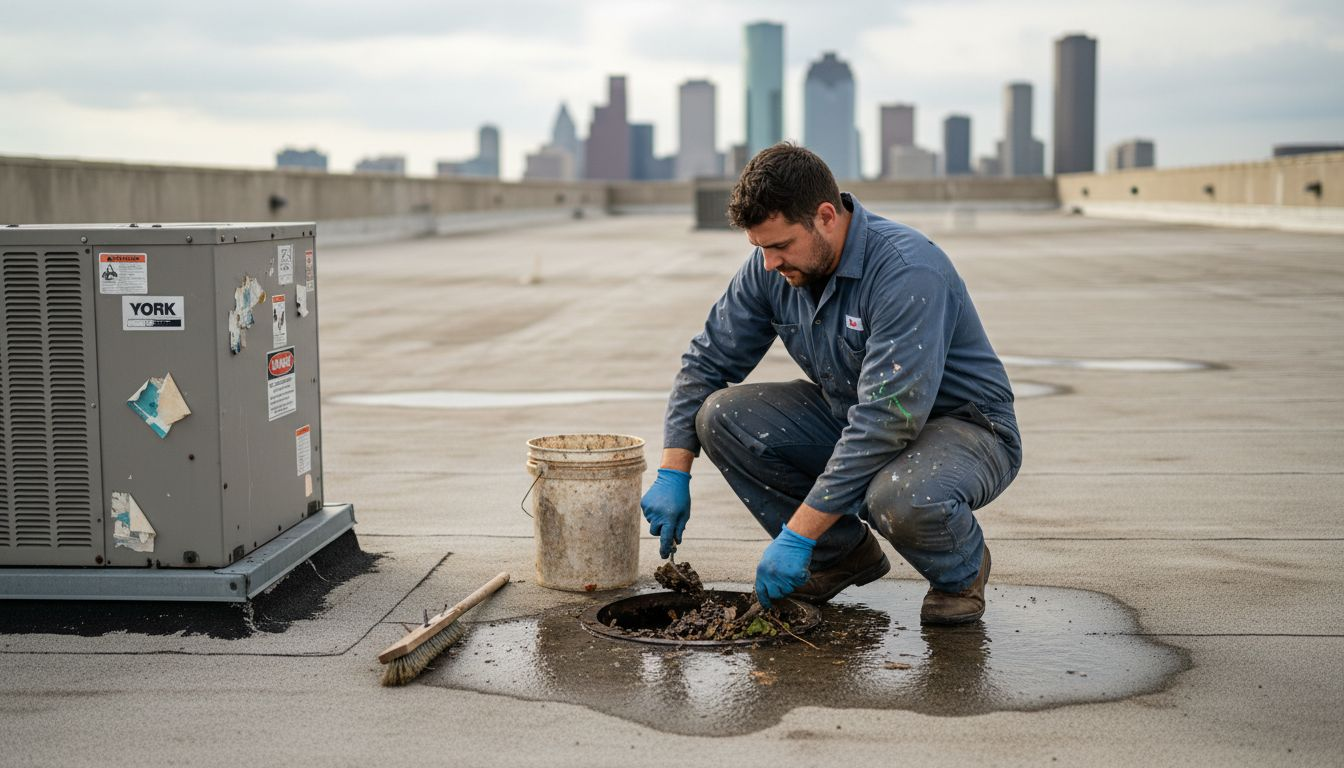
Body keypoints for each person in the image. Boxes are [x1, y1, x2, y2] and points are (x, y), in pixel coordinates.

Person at [640, 143, 1022, 625]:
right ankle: (839, 555)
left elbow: (886, 421)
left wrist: (797, 532)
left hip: (962, 429)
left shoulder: (906, 270)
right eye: (760, 248)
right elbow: (707, 361)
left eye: (780, 246)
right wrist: (675, 468)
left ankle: (960, 572)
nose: (769, 264)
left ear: (825, 216)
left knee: (899, 495)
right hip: (855, 417)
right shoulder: (772, 269)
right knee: (721, 416)